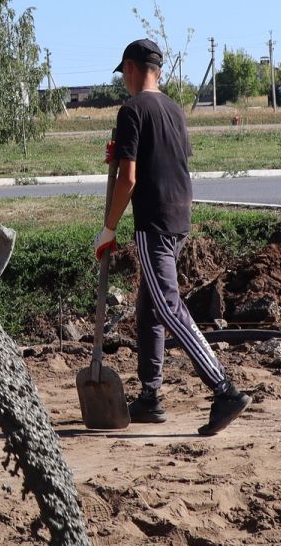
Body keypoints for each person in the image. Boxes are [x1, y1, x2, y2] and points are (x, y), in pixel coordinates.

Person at [96, 39, 251, 436]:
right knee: (149, 307)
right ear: (159, 71)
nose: (124, 80)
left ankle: (224, 389)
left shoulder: (131, 110)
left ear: (130, 69)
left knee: (166, 307)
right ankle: (150, 397)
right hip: (181, 218)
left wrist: (109, 228)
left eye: (123, 72)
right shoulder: (175, 111)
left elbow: (129, 180)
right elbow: (167, 158)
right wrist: (123, 151)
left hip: (154, 222)